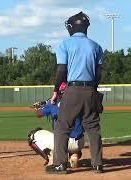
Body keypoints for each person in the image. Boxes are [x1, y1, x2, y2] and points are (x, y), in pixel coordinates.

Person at [46, 12, 104, 174]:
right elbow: (99, 73)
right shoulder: (96, 46)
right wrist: (93, 87)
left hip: (72, 90)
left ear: (72, 27)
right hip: (91, 90)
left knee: (62, 127)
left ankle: (60, 164)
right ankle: (98, 164)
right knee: (93, 128)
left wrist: (56, 90)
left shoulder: (65, 44)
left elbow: (61, 70)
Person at [28, 82, 84, 168]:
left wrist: (42, 107)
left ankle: (51, 158)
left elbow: (38, 114)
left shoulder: (53, 103)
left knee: (32, 136)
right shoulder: (80, 101)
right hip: (79, 143)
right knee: (73, 133)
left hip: (62, 143)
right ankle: (74, 155)